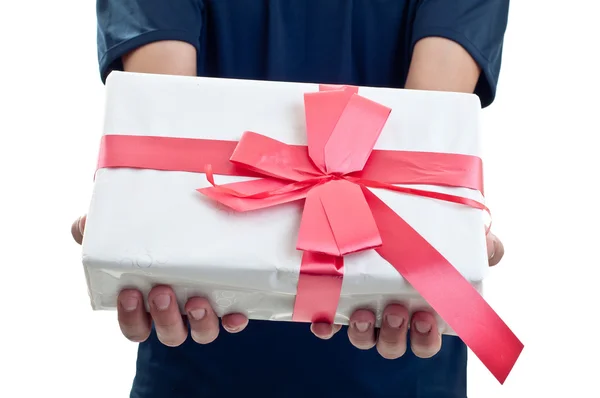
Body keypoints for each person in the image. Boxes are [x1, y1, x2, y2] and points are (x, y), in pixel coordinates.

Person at [73, 1, 510, 397]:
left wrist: (150, 218)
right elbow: (161, 122)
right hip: (197, 354)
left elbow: (429, 133)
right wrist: (134, 207)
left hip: (397, 363)